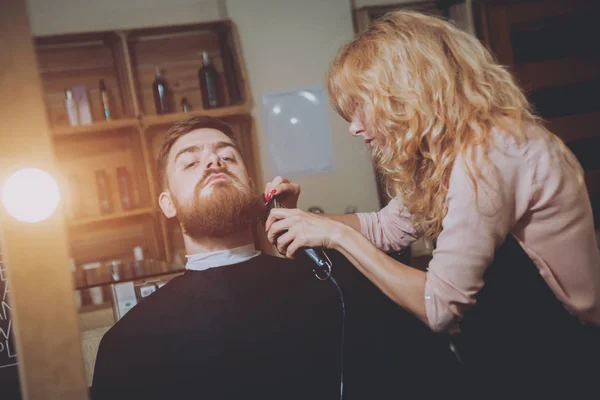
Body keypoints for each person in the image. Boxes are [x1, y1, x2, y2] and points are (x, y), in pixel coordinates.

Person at [265, 10, 600, 394]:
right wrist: (303, 220)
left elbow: (439, 307)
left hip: (563, 360)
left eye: (361, 105)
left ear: (407, 91)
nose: (354, 127)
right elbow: (387, 228)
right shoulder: (448, 154)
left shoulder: (493, 152)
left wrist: (337, 237)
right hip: (510, 358)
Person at [91, 116, 463, 400]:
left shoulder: (337, 290)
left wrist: (313, 243)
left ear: (256, 190)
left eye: (227, 157)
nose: (213, 164)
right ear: (167, 204)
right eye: (190, 163)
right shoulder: (131, 341)